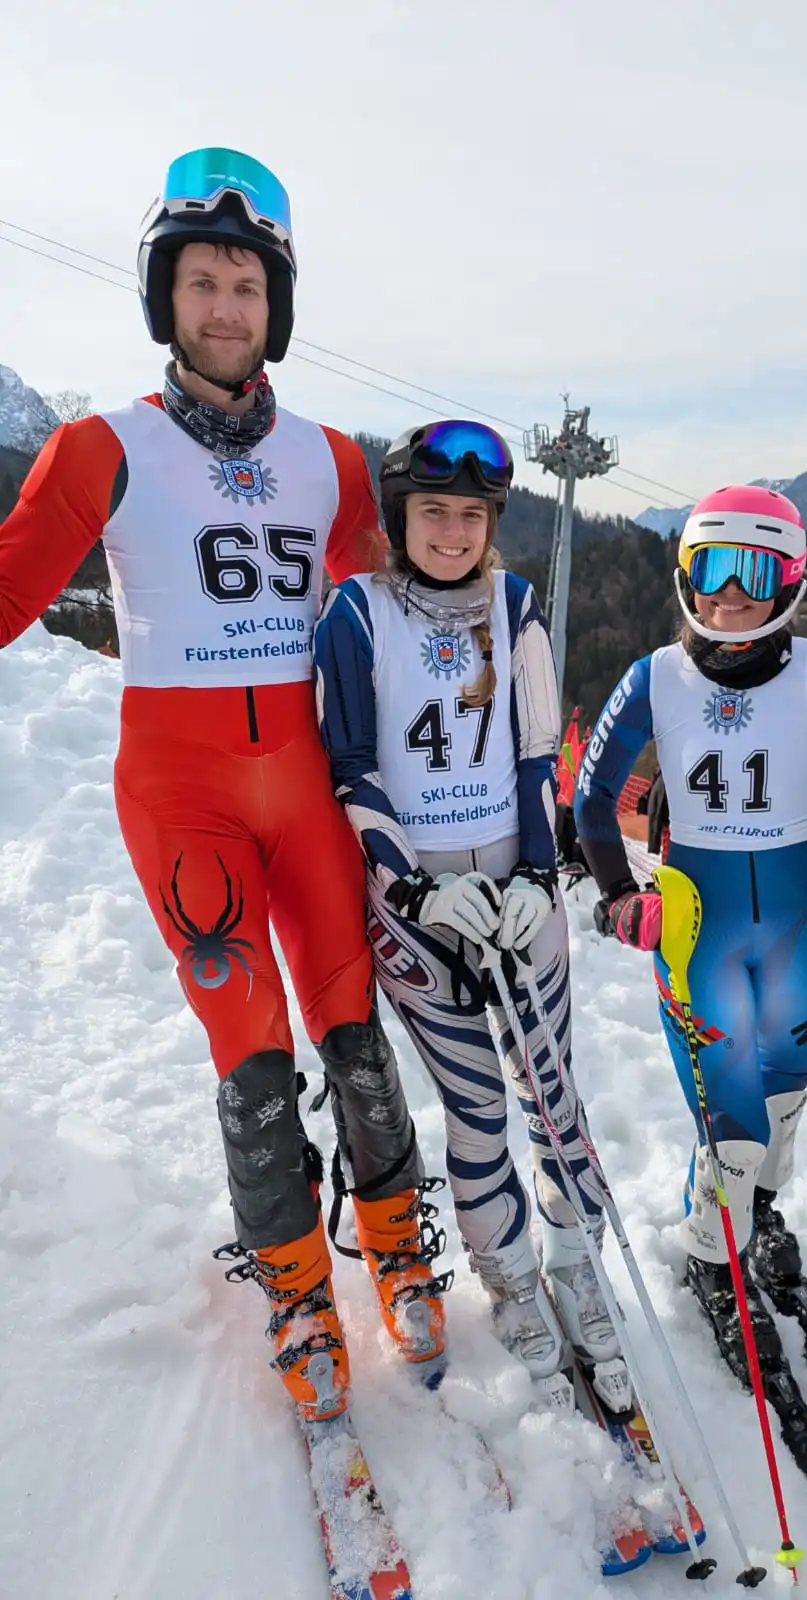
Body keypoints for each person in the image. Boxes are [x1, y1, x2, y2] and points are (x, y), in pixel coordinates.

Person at [0, 148, 444, 1421]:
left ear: (276, 306)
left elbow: (399, 624)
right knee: (250, 1049)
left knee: (353, 1026)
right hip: (182, 793)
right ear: (167, 297)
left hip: (302, 783)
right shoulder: (103, 446)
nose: (225, 305)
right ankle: (299, 1286)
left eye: (247, 283)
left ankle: (400, 1246)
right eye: (201, 280)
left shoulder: (334, 461)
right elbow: (9, 590)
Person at [314, 419, 619, 1398]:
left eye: (472, 514)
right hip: (415, 905)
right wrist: (412, 885)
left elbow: (537, 753)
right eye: (432, 511)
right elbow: (352, 767)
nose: (452, 531)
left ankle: (575, 1264)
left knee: (550, 1089)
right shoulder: (355, 613)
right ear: (399, 517)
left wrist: (535, 878)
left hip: (517, 888)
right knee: (479, 1110)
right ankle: (512, 1280)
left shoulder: (516, 604)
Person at [573, 485, 807, 1380]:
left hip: (803, 926)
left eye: (755, 572)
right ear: (684, 574)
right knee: (735, 1121)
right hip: (700, 928)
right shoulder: (654, 677)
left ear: (791, 578)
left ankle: (751, 1209)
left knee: (781, 1110)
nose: (729, 594)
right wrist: (615, 895)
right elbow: (591, 798)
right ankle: (711, 1253)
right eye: (709, 569)